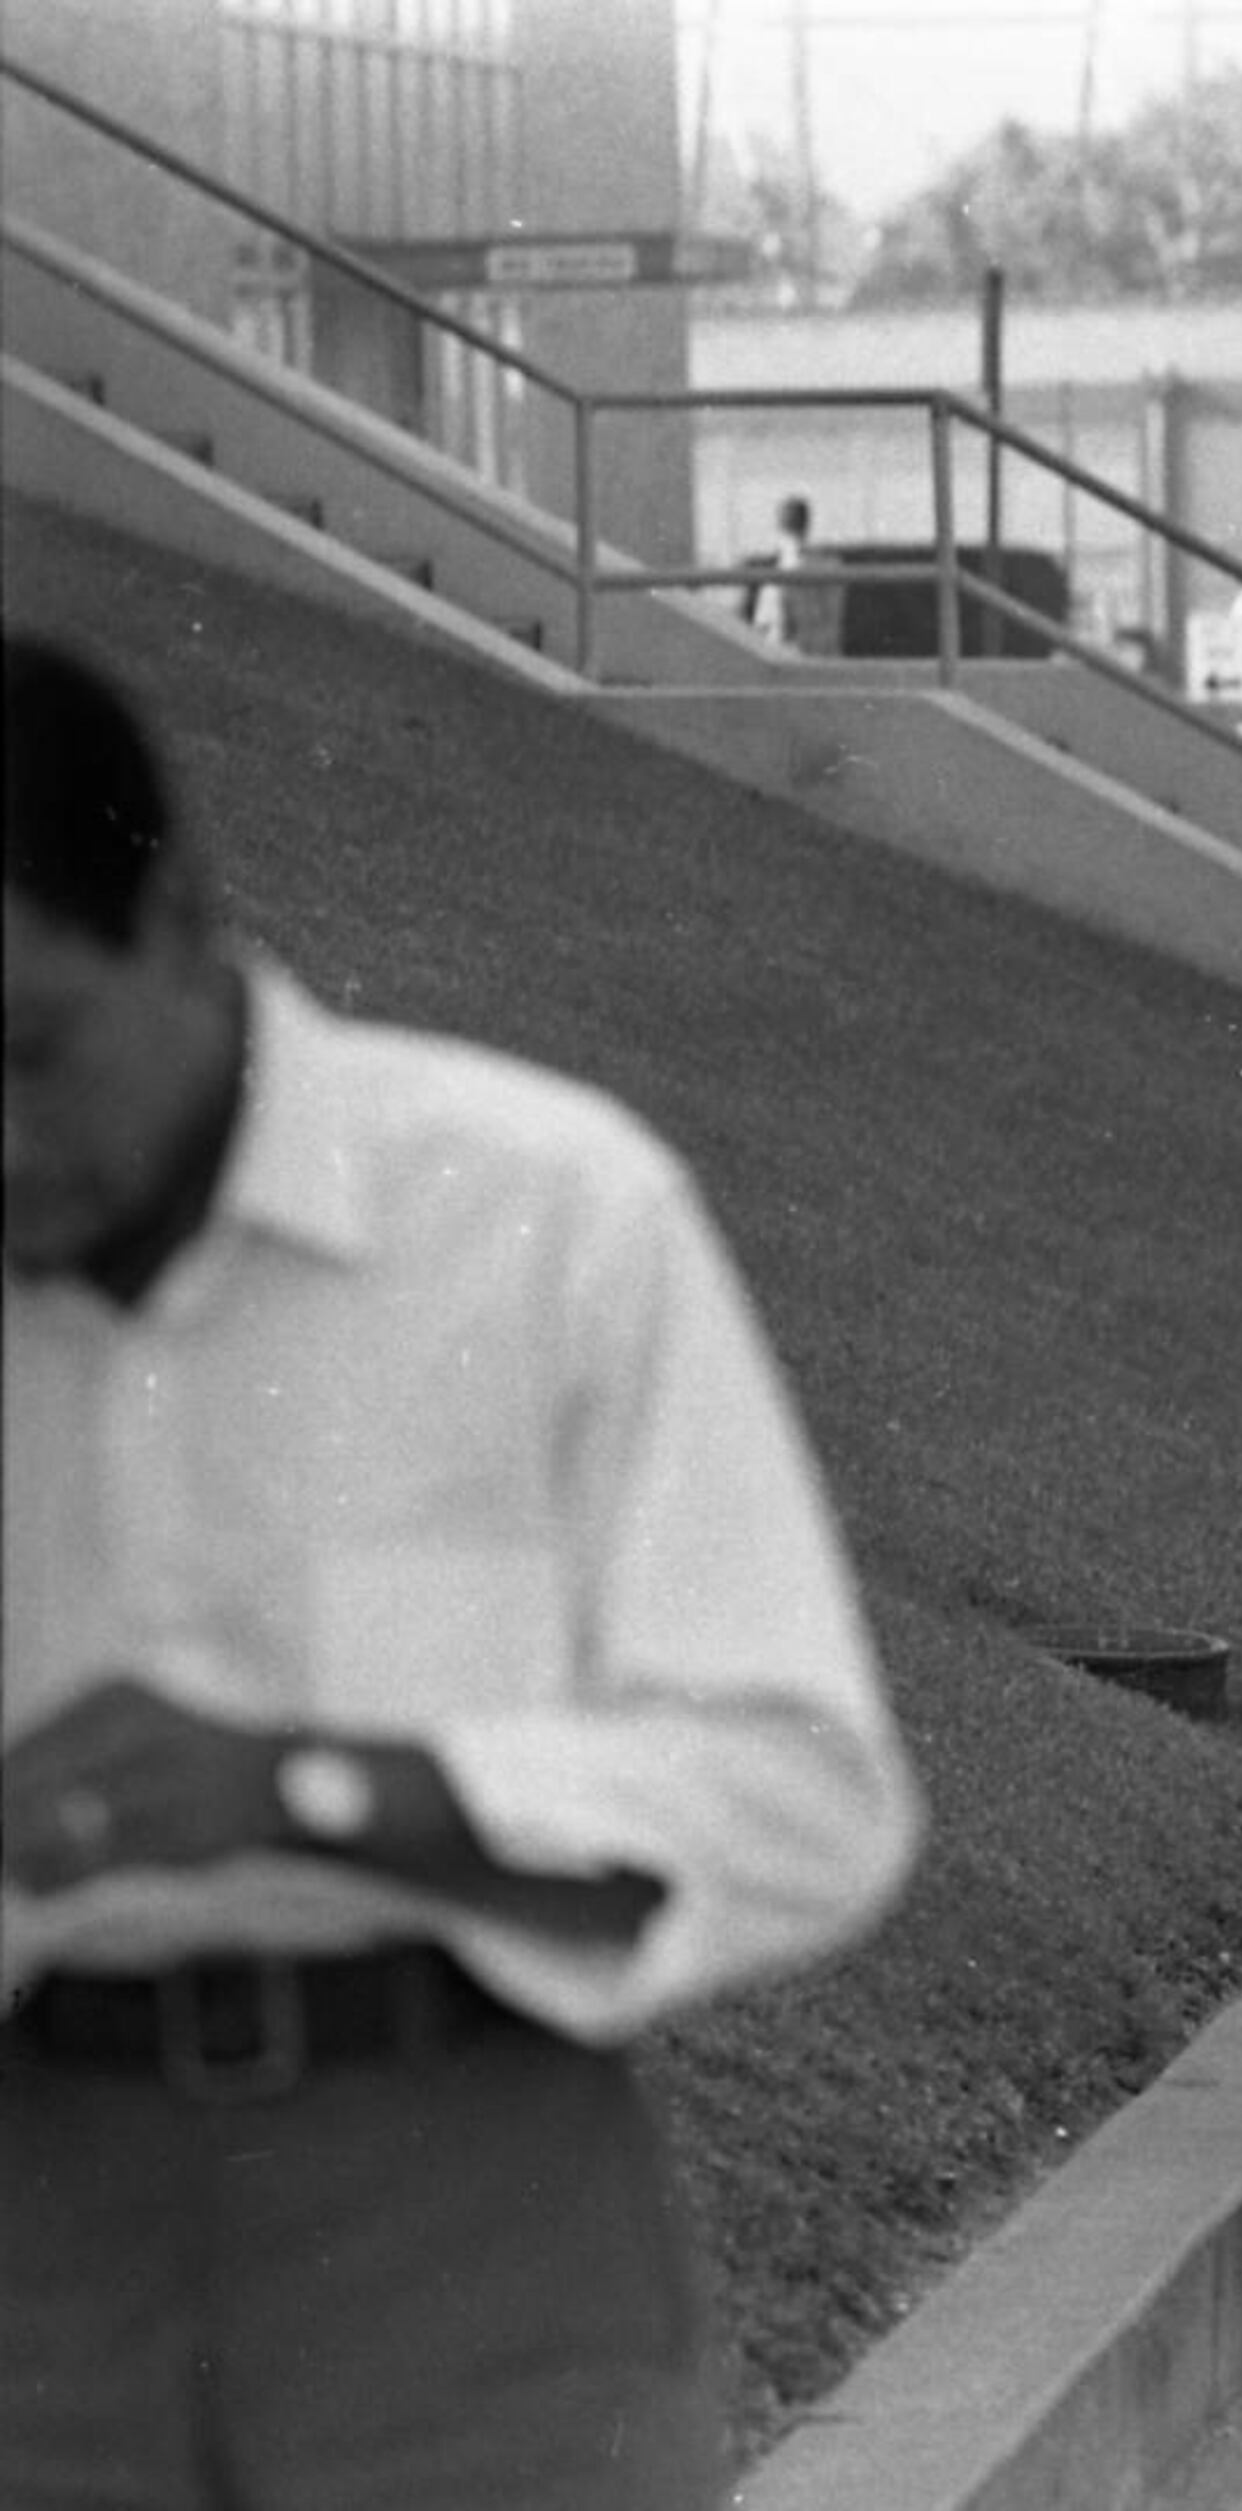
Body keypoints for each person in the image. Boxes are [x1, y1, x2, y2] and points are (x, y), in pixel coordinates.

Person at [0, 635, 924, 2501]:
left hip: (465, 2213)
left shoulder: (543, 1218)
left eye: (25, 1049)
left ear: (178, 920)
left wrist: (327, 1789)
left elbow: (805, 1799)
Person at [738, 492, 836, 654]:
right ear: (806, 524)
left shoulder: (776, 571)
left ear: (779, 524)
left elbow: (764, 625)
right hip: (812, 650)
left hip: (784, 650)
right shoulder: (827, 566)